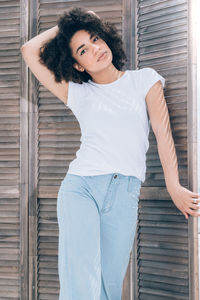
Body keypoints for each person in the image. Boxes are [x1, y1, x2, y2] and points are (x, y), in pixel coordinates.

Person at [21, 6, 200, 300]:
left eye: (94, 38)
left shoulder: (144, 80)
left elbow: (162, 133)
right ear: (77, 65)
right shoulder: (77, 93)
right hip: (81, 188)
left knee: (109, 286)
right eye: (83, 50)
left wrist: (173, 185)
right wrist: (70, 24)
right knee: (81, 281)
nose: (95, 48)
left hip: (125, 192)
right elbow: (29, 50)